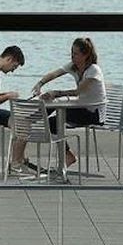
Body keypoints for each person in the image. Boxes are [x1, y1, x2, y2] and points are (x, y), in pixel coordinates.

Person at [25, 37, 106, 171]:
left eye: (75, 54)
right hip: (81, 108)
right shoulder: (74, 66)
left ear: (86, 55)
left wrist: (56, 93)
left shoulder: (93, 70)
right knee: (50, 110)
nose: (72, 56)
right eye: (71, 53)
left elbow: (78, 92)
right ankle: (28, 123)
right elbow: (54, 74)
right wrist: (40, 84)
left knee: (53, 122)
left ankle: (67, 156)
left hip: (94, 114)